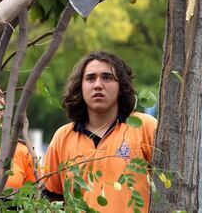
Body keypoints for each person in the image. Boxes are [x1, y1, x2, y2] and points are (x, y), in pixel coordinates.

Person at [42, 51, 157, 212]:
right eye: (90, 78)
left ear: (121, 86)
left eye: (107, 77)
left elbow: (168, 191)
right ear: (80, 87)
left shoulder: (145, 127)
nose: (97, 85)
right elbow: (51, 198)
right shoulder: (62, 137)